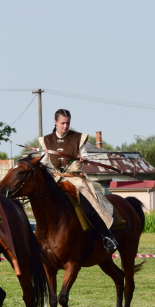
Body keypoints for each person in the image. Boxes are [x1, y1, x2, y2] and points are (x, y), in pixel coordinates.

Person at [38, 108, 118, 253]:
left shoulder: (77, 138)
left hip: (75, 179)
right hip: (56, 179)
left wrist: (83, 158)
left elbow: (84, 155)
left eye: (68, 123)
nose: (65, 126)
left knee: (89, 205)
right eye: (62, 123)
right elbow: (44, 161)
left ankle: (108, 236)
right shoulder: (47, 140)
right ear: (55, 122)